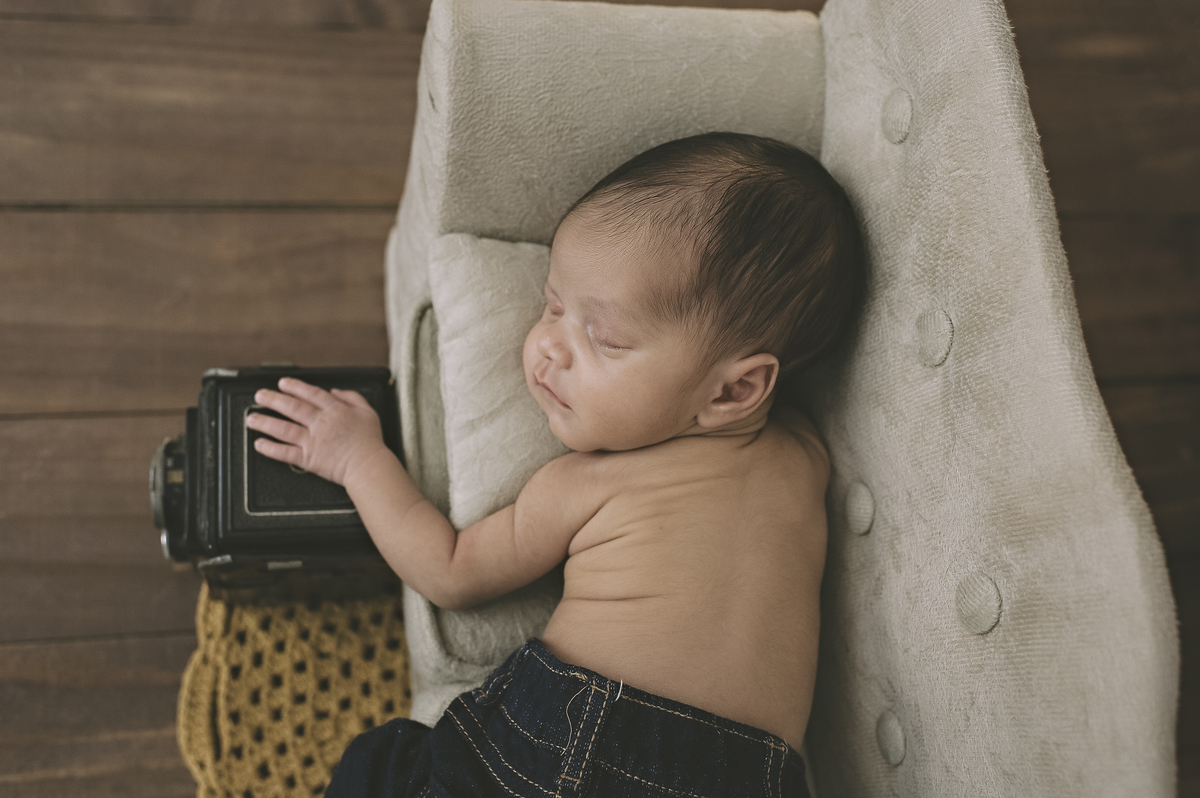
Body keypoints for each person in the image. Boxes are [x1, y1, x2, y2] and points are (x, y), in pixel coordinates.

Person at [247, 131, 867, 798]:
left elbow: (449, 571)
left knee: (383, 767)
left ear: (734, 391)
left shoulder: (592, 483)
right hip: (753, 781)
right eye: (553, 305)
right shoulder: (805, 453)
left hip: (581, 749)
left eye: (601, 337)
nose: (547, 347)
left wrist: (356, 457)